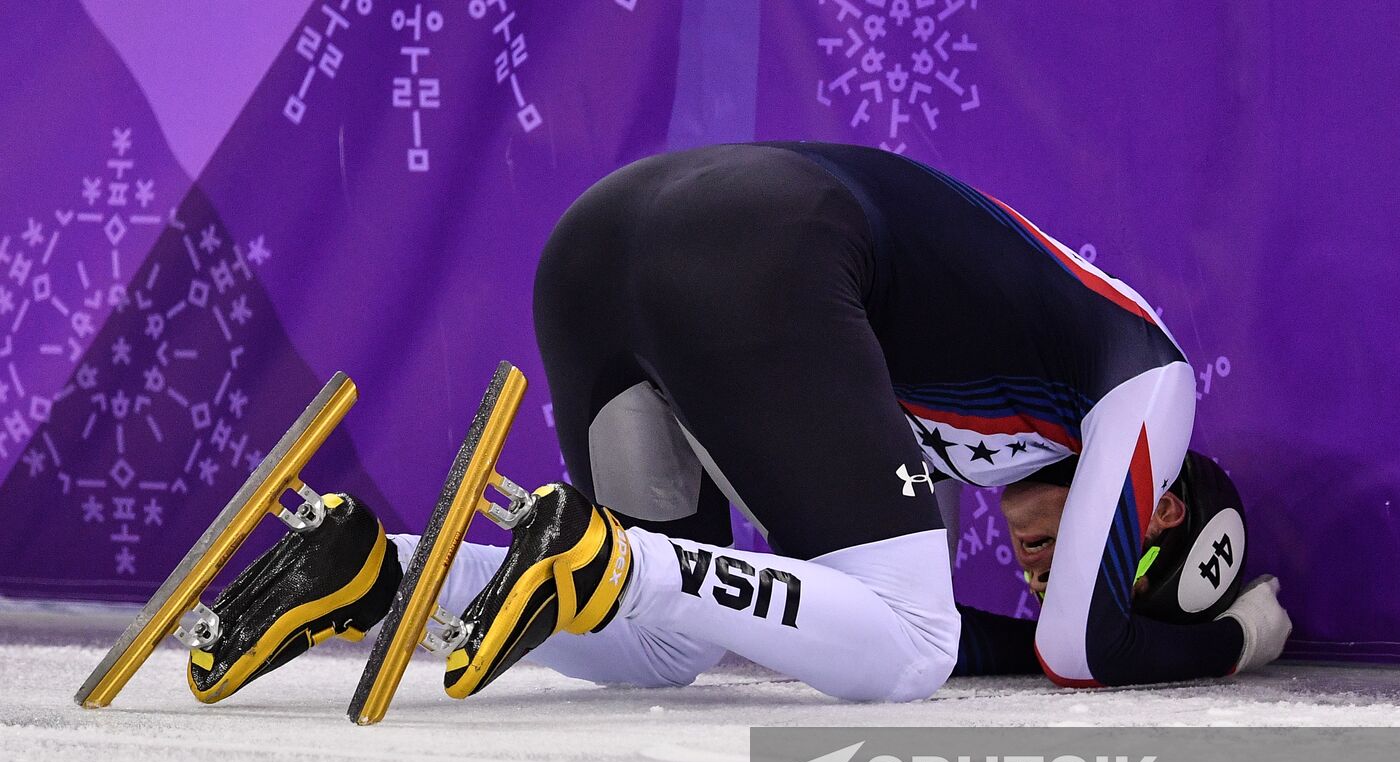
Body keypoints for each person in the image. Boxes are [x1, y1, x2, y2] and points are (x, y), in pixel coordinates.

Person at [186, 142, 1292, 705]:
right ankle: (579, 550)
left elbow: (855, 609)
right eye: (1115, 560)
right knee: (909, 648)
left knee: (655, 639)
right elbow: (1074, 651)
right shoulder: (1148, 380)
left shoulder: (989, 403)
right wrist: (1235, 640)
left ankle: (369, 572)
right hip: (758, 237)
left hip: (605, 239)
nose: (1059, 571)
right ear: (1165, 496)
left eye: (1088, 578)